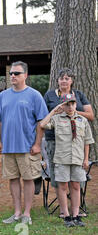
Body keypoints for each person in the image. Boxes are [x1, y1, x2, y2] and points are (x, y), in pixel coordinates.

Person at [0, 61, 48, 225]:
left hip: (27, 147)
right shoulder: (3, 96)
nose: (13, 76)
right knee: (13, 179)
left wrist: (37, 144)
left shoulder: (34, 95)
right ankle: (16, 212)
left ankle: (27, 213)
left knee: (29, 179)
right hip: (8, 147)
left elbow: (42, 122)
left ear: (26, 75)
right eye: (11, 73)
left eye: (16, 73)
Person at [43, 68, 94, 218]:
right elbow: (42, 117)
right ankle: (63, 210)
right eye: (61, 78)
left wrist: (71, 112)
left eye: (67, 78)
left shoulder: (78, 95)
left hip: (76, 141)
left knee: (76, 179)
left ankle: (76, 209)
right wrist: (56, 112)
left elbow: (90, 115)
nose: (64, 81)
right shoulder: (50, 95)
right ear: (57, 80)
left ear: (72, 81)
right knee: (60, 176)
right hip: (54, 139)